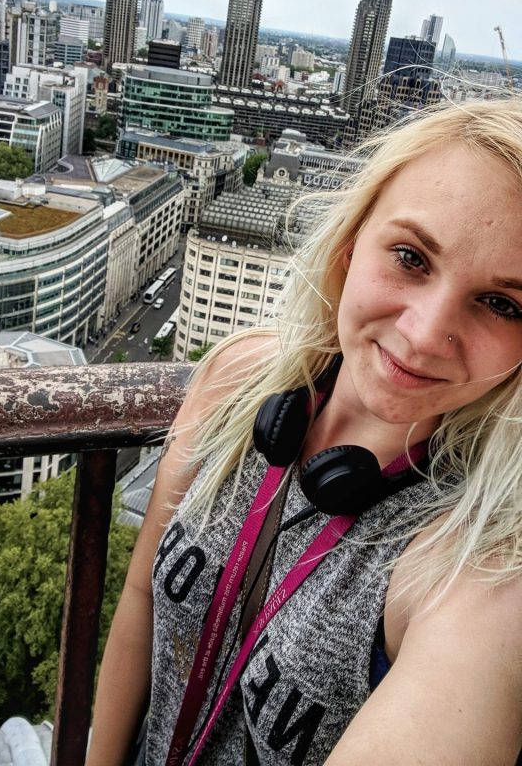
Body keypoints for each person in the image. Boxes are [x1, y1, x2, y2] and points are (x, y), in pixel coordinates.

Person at [87, 99, 522, 766]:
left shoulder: (473, 570)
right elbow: (143, 599)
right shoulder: (237, 381)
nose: (426, 333)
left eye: (501, 304)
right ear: (350, 246)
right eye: (410, 256)